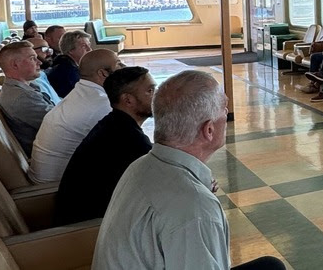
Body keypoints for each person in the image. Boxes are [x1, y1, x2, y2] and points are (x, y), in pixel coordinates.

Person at [93, 71, 285, 270]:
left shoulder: (141, 165)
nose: (226, 113)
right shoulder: (195, 208)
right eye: (223, 108)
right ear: (208, 130)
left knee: (270, 266)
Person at [54, 67, 155, 225]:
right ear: (128, 100)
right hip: (88, 230)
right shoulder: (129, 139)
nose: (157, 96)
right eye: (150, 91)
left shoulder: (113, 124)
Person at [29, 49, 122, 183]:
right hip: (54, 189)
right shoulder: (100, 103)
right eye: (118, 64)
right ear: (103, 73)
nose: (123, 67)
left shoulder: (81, 92)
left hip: (47, 178)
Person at [0, 41, 55, 156]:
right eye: (32, 58)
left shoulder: (25, 87)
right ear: (15, 65)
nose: (39, 62)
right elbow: (61, 125)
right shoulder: (21, 97)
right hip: (51, 155)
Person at [47, 30, 92, 97]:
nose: (89, 49)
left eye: (89, 45)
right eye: (83, 46)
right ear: (71, 50)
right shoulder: (67, 71)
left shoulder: (68, 64)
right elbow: (80, 96)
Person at [28, 37, 62, 104]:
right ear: (31, 52)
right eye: (44, 49)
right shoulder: (34, 81)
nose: (49, 54)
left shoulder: (41, 74)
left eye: (49, 50)